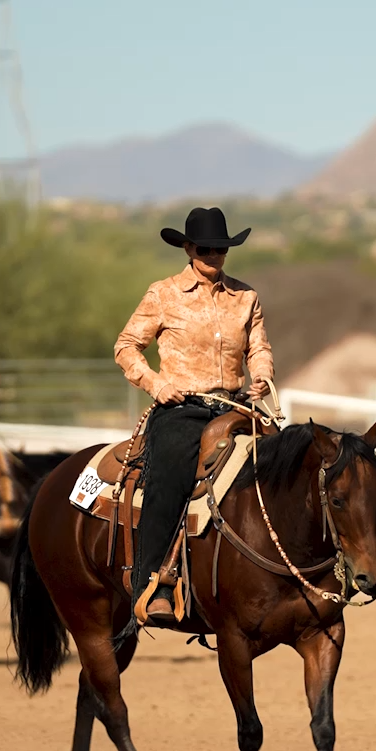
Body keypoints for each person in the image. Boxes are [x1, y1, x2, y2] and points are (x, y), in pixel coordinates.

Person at [114, 205, 274, 623]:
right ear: (187, 248)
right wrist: (156, 384)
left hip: (237, 406)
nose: (212, 257)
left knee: (286, 464)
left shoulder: (247, 298)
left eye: (220, 250)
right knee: (169, 477)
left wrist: (261, 376)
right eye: (205, 249)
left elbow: (259, 347)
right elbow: (126, 346)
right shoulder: (162, 295)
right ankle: (154, 583)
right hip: (181, 407)